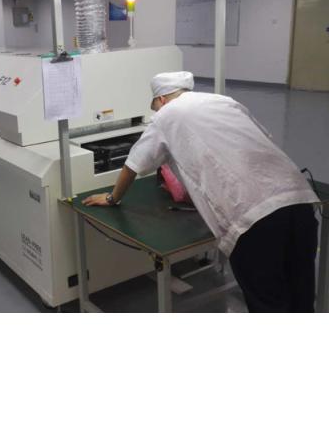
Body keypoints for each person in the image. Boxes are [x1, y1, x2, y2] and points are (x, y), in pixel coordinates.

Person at [83, 71, 320, 312]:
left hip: (253, 221)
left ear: (162, 99)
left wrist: (112, 197)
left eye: (154, 107)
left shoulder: (166, 115)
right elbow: (261, 138)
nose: (155, 112)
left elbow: (133, 164)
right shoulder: (223, 101)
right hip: (298, 199)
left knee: (269, 305)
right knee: (301, 296)